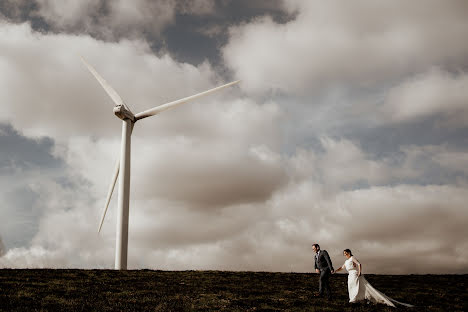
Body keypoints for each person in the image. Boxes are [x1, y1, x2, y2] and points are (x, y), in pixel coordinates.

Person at [333, 249, 413, 307]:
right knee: (351, 287)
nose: (345, 255)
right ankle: (355, 298)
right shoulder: (346, 261)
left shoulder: (352, 258)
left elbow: (359, 264)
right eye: (344, 254)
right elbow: (342, 267)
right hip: (349, 275)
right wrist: (335, 271)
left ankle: (353, 300)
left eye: (346, 253)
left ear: (349, 253)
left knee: (355, 286)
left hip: (354, 273)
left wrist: (360, 272)